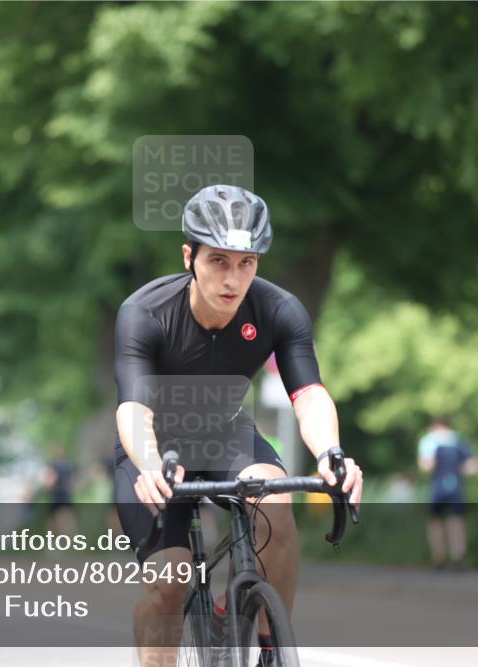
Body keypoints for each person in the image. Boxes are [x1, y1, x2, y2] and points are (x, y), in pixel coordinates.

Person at [112, 184, 363, 667]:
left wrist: (332, 453)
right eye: (218, 261)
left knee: (276, 500)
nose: (232, 278)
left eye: (245, 263)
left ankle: (270, 647)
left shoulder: (278, 309)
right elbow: (134, 409)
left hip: (226, 431)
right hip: (155, 444)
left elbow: (308, 395)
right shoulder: (144, 312)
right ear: (189, 256)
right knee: (169, 583)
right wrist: (148, 464)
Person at [417, 416, 478, 571]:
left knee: (436, 522)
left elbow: (426, 467)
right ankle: (458, 556)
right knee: (456, 520)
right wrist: (457, 470)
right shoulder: (459, 440)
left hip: (437, 487)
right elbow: (474, 465)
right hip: (456, 486)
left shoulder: (429, 440)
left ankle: (439, 558)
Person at [43, 445, 77, 537]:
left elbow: (74, 480)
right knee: (55, 520)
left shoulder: (67, 465)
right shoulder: (53, 465)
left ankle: (70, 540)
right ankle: (55, 541)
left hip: (63, 495)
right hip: (57, 495)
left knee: (66, 518)